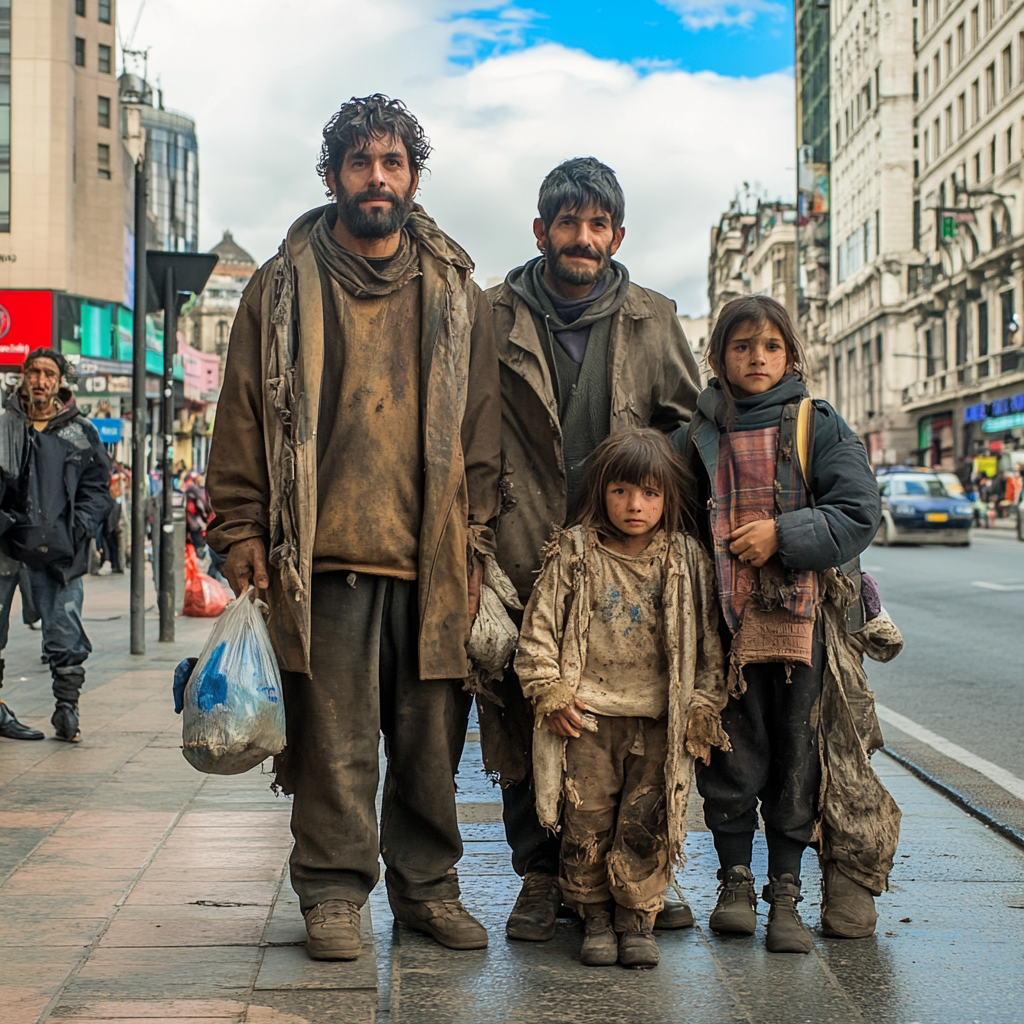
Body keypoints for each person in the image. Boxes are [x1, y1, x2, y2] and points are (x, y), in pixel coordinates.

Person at [206, 95, 500, 961]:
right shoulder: (280, 284)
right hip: (320, 558)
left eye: (395, 162)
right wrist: (241, 530)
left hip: (432, 559)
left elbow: (481, 429)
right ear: (332, 174)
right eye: (361, 163)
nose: (379, 178)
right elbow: (244, 420)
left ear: (413, 176)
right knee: (332, 747)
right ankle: (333, 895)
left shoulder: (454, 290)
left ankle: (426, 891)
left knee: (428, 747)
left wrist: (476, 539)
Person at [485, 157, 702, 942]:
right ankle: (542, 877)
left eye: (598, 225)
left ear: (617, 235)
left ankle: (638, 875)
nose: (583, 238)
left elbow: (688, 428)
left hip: (628, 565)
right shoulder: (491, 314)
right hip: (520, 548)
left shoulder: (653, 315)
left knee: (637, 726)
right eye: (568, 223)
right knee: (526, 713)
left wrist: (655, 517)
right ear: (541, 231)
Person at [674, 295, 901, 953]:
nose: (757, 358)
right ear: (715, 357)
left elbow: (858, 512)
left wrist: (783, 534)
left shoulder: (818, 425)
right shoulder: (696, 434)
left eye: (770, 346)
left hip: (803, 630)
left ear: (792, 355)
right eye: (741, 346)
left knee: (798, 759)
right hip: (721, 628)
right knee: (728, 752)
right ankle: (735, 883)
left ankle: (787, 896)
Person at [515, 429, 726, 967]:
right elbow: (538, 632)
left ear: (668, 499)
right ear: (600, 492)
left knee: (646, 819)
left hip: (658, 722)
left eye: (651, 494)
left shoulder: (685, 558)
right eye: (622, 491)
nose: (636, 505)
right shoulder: (575, 552)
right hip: (586, 719)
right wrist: (552, 693)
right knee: (587, 820)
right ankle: (595, 918)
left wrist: (702, 708)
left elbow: (706, 647)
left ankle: (637, 919)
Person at [0, 348, 112, 742]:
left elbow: (98, 489)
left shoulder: (79, 431)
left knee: (65, 632)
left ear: (60, 381)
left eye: (49, 373)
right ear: (22, 375)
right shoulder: (5, 424)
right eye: (34, 371)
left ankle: (67, 709)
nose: (40, 380)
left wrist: (77, 527)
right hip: (6, 545)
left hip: (59, 551)